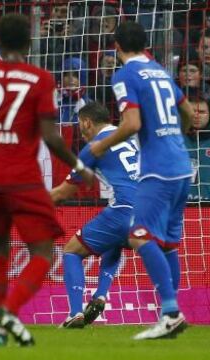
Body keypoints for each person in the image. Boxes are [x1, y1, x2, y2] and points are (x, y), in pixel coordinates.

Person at [0, 14, 94, 346]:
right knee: (42, 251)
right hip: (24, 179)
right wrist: (79, 166)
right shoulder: (40, 79)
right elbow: (50, 136)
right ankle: (9, 312)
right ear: (29, 43)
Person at [89, 21, 196, 340]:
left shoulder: (124, 75)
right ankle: (173, 312)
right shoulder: (159, 70)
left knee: (138, 235)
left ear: (116, 46)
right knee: (168, 244)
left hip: (158, 168)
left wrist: (101, 144)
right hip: (182, 165)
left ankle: (171, 313)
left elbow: (132, 122)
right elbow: (188, 111)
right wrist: (178, 134)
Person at [50, 102, 138, 328]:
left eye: (80, 125)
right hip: (151, 212)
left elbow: (62, 193)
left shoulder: (94, 147)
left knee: (71, 251)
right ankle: (100, 295)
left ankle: (75, 313)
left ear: (87, 122)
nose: (81, 131)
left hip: (124, 210)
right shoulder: (130, 140)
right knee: (114, 241)